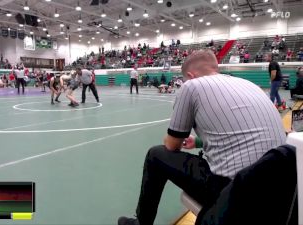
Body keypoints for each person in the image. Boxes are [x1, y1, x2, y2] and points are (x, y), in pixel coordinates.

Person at [118, 50, 286, 225]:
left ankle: (141, 223)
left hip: (236, 191)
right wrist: (198, 141)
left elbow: (172, 145)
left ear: (191, 76)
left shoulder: (192, 86)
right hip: (280, 186)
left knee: (155, 156)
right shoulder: (249, 84)